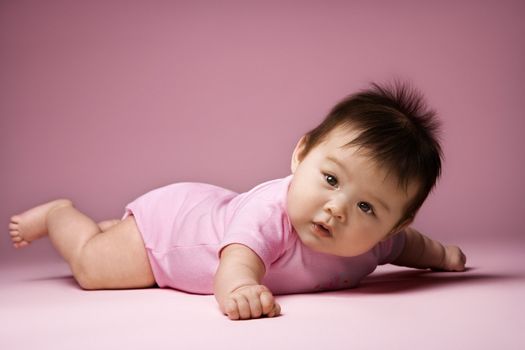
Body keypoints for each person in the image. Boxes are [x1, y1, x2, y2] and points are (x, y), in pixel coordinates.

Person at [8, 81, 466, 320]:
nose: (337, 208)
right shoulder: (270, 214)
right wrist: (240, 289)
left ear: (391, 225)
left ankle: (111, 227)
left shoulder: (380, 242)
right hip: (170, 234)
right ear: (301, 153)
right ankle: (60, 214)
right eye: (329, 178)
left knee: (112, 239)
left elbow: (411, 246)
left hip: (211, 208)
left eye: (367, 208)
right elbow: (237, 260)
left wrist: (442, 257)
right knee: (94, 268)